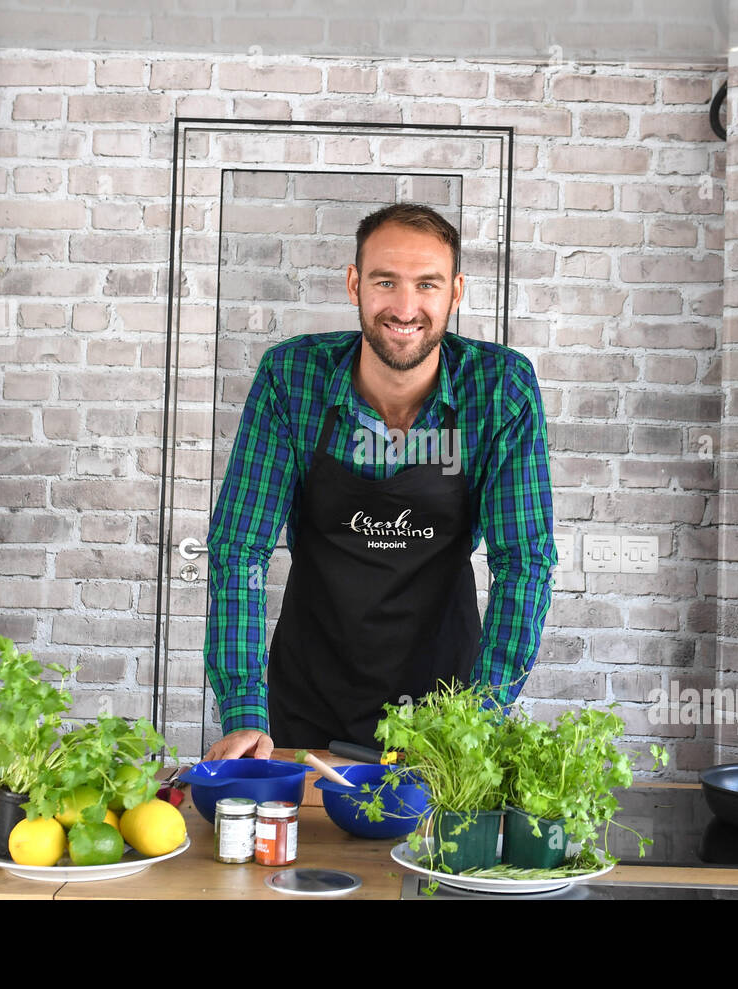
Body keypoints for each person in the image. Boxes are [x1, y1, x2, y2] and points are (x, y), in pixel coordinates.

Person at [202, 202, 556, 759]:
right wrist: (245, 708)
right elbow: (238, 549)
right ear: (354, 284)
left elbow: (525, 561)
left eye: (428, 284)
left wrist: (481, 716)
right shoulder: (291, 379)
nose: (405, 306)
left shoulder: (500, 389)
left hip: (447, 706)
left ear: (455, 292)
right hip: (305, 698)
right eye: (385, 281)